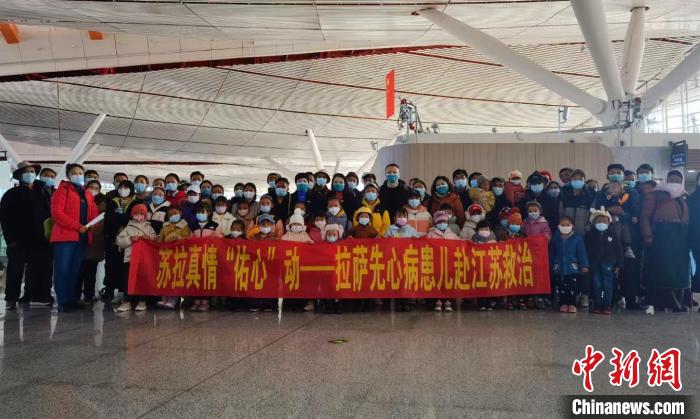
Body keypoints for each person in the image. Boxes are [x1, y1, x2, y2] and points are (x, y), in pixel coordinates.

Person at [0, 161, 53, 309]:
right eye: (26, 172)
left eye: (32, 171)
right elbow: (5, 218)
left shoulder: (42, 192)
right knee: (15, 270)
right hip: (18, 240)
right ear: (19, 175)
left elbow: (48, 214)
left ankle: (31, 295)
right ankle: (11, 298)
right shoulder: (11, 194)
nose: (30, 174)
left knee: (36, 269)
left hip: (40, 239)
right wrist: (10, 240)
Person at [640, 169, 691, 313]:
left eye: (677, 180)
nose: (674, 182)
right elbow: (645, 217)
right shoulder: (655, 195)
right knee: (664, 270)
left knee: (679, 271)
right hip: (662, 236)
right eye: (671, 180)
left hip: (681, 238)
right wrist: (648, 235)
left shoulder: (685, 196)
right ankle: (664, 302)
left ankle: (679, 301)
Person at [50, 163, 99, 312]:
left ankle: (71, 299)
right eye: (74, 173)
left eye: (80, 173)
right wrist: (77, 226)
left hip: (81, 237)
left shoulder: (87, 194)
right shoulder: (62, 190)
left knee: (74, 270)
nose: (77, 175)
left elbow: (93, 212)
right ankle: (63, 302)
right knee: (62, 270)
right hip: (65, 237)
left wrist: (93, 224)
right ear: (68, 175)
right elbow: (57, 213)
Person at [103, 179, 142, 303]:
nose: (123, 190)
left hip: (130, 239)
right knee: (111, 265)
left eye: (126, 188)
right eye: (120, 187)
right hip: (113, 239)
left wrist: (119, 217)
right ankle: (109, 290)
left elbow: (132, 219)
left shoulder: (137, 202)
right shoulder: (112, 201)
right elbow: (109, 219)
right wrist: (120, 218)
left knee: (125, 267)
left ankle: (123, 292)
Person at [115, 204, 157, 312]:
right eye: (136, 214)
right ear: (132, 215)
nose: (139, 217)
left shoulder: (149, 228)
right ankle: (127, 301)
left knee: (142, 279)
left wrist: (149, 238)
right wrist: (130, 238)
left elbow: (155, 240)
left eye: (141, 214)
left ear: (145, 215)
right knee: (128, 280)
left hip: (144, 259)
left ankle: (142, 301)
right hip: (130, 259)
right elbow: (119, 241)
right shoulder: (128, 228)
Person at [585, 208, 623, 315]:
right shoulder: (589, 235)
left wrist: (619, 265)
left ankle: (606, 306)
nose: (601, 223)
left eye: (604, 221)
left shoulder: (613, 234)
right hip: (594, 263)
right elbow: (586, 249)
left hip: (609, 263)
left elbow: (619, 250)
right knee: (596, 284)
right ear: (594, 223)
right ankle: (597, 305)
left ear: (608, 222)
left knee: (607, 284)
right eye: (598, 221)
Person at [550, 216, 589, 313]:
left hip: (573, 268)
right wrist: (550, 264)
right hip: (559, 267)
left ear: (573, 226)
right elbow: (552, 253)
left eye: (568, 225)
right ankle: (563, 303)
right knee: (561, 287)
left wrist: (584, 265)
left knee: (573, 287)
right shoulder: (555, 238)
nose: (565, 227)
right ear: (558, 226)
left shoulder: (577, 238)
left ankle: (572, 304)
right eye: (562, 225)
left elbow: (581, 252)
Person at [155, 207, 191, 309]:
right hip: (166, 255)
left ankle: (173, 300)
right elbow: (160, 238)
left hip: (178, 255)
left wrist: (179, 238)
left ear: (180, 213)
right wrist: (159, 238)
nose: (173, 216)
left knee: (176, 277)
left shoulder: (185, 226)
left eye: (175, 213)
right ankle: (164, 298)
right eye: (170, 215)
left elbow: (188, 239)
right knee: (165, 277)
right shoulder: (165, 226)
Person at [78, 181, 106, 303]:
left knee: (91, 270)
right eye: (91, 187)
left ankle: (89, 295)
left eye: (96, 188)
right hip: (80, 239)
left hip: (95, 241)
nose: (93, 190)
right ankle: (76, 295)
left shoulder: (102, 203)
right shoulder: (80, 200)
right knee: (79, 270)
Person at [428, 211, 460, 312]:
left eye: (444, 221)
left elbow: (460, 246)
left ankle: (448, 301)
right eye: (440, 221)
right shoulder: (431, 234)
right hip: (436, 263)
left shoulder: (453, 235)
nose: (442, 223)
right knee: (437, 282)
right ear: (436, 223)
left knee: (448, 282)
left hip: (449, 263)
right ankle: (438, 300)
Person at [473, 220, 498, 311]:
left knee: (491, 284)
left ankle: (490, 302)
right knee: (481, 285)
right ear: (477, 230)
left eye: (486, 229)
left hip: (491, 266)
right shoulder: (474, 239)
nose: (484, 230)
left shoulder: (494, 239)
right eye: (482, 229)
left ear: (490, 230)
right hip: (479, 266)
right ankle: (481, 303)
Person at [560, 169, 593, 236]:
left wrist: (587, 228)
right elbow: (560, 213)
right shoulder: (564, 195)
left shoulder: (589, 196)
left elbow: (592, 214)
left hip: (583, 234)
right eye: (574, 178)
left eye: (580, 179)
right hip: (566, 232)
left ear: (584, 181)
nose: (577, 181)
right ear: (571, 181)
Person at [321, 223, 345, 314]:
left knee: (338, 290)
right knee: (327, 289)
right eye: (329, 234)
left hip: (339, 271)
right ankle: (328, 306)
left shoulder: (342, 244)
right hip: (326, 272)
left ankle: (338, 306)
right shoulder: (322, 245)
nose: (332, 236)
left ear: (338, 235)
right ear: (325, 235)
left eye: (334, 234)